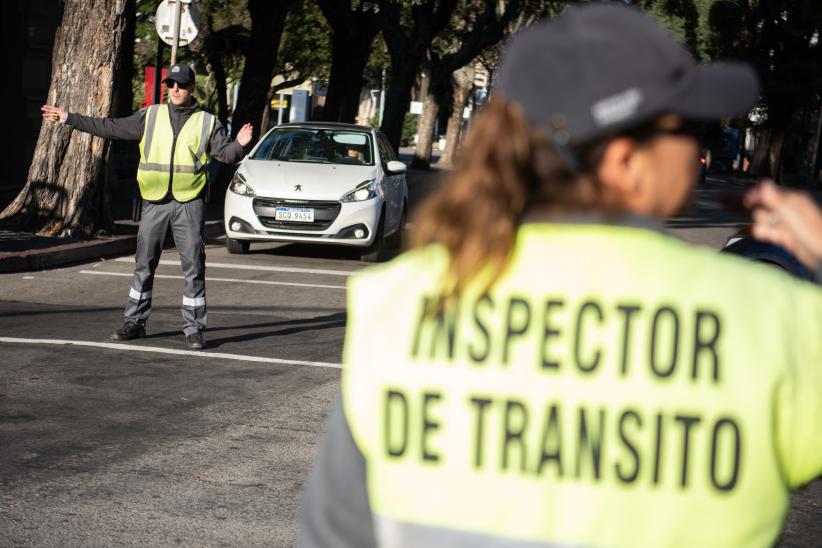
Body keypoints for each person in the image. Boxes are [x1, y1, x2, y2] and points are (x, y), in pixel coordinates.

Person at [299, 4, 822, 547]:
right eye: (690, 127)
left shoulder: (406, 302)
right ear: (624, 161)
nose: (701, 149)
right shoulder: (770, 320)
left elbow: (334, 534)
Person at [41, 63, 253, 350]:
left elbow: (226, 155)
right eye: (171, 84)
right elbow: (110, 127)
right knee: (144, 264)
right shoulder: (151, 116)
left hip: (189, 203)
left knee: (193, 266)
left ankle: (194, 329)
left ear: (191, 88)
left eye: (181, 85)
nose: (175, 89)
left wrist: (240, 144)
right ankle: (135, 322)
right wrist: (69, 118)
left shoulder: (207, 121)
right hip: (154, 201)